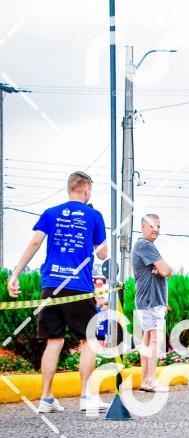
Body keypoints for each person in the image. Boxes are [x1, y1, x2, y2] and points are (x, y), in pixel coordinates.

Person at [8, 171, 109, 413]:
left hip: (51, 284)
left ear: (69, 189)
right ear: (86, 189)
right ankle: (86, 396)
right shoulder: (94, 215)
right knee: (88, 341)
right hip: (78, 286)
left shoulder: (50, 213)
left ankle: (46, 398)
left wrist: (15, 274)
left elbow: (35, 243)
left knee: (54, 341)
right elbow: (103, 254)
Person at [132, 214, 173, 393]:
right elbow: (166, 270)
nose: (156, 229)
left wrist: (164, 269)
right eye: (152, 226)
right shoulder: (145, 245)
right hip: (152, 299)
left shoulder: (142, 245)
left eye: (158, 226)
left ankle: (145, 381)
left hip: (146, 299)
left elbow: (166, 270)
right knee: (155, 339)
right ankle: (151, 380)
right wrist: (164, 268)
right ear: (143, 227)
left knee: (148, 340)